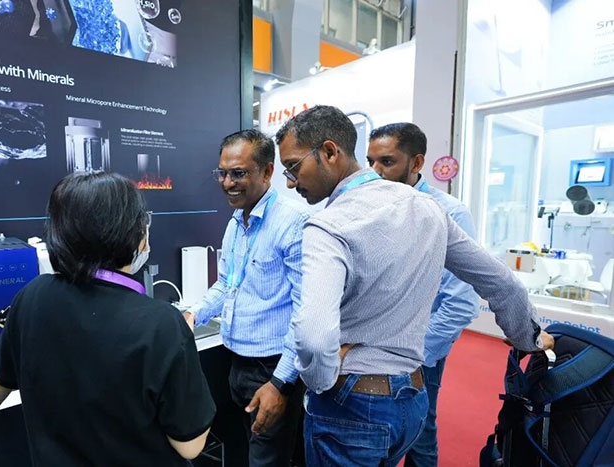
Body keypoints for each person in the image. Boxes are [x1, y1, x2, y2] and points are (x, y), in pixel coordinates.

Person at [275, 105, 554, 466]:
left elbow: (313, 336)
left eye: (293, 167)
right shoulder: (428, 209)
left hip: (351, 404)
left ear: (330, 152)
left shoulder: (327, 225)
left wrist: (322, 383)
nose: (290, 182)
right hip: (412, 399)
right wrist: (527, 339)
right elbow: (503, 284)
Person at [0, 172, 215, 466]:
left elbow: (1, 377)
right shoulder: (162, 325)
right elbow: (190, 445)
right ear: (133, 232)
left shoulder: (32, 295)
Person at [183, 129, 309, 466]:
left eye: (238, 173)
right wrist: (194, 314)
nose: (227, 183)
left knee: (267, 459)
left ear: (267, 171)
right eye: (222, 173)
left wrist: (280, 383)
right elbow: (227, 283)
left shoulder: (293, 222)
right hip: (237, 362)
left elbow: (305, 312)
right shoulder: (237, 221)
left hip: (273, 367)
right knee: (252, 451)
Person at [367, 122, 479, 467]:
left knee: (420, 434)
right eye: (371, 161)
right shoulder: (374, 206)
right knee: (377, 430)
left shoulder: (449, 212)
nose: (375, 172)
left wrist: (419, 355)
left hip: (419, 350)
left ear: (416, 163)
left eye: (387, 162)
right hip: (374, 345)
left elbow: (461, 301)